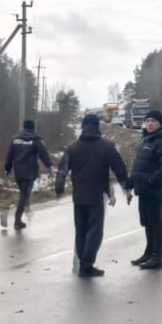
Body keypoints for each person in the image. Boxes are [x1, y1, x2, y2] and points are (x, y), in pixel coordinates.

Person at [55, 112, 130, 277]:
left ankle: (83, 263)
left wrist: (59, 188)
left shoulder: (72, 148)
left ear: (83, 127)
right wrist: (126, 186)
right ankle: (86, 266)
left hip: (78, 196)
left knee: (80, 231)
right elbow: (119, 167)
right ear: (97, 127)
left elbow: (62, 170)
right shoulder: (106, 146)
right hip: (96, 196)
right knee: (95, 232)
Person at [126, 110, 162, 270]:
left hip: (154, 190)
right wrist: (130, 184)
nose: (149, 123)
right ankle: (148, 253)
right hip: (143, 190)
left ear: (160, 123)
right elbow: (138, 165)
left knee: (156, 223)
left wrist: (150, 180)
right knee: (147, 223)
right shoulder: (145, 139)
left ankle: (157, 257)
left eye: (153, 121)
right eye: (147, 121)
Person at [3, 119, 53, 230]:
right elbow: (43, 154)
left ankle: (20, 214)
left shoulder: (15, 139)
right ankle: (16, 220)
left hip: (18, 172)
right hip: (29, 172)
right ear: (33, 127)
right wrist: (49, 166)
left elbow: (9, 156)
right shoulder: (36, 139)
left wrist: (7, 169)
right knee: (24, 196)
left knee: (24, 195)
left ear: (24, 127)